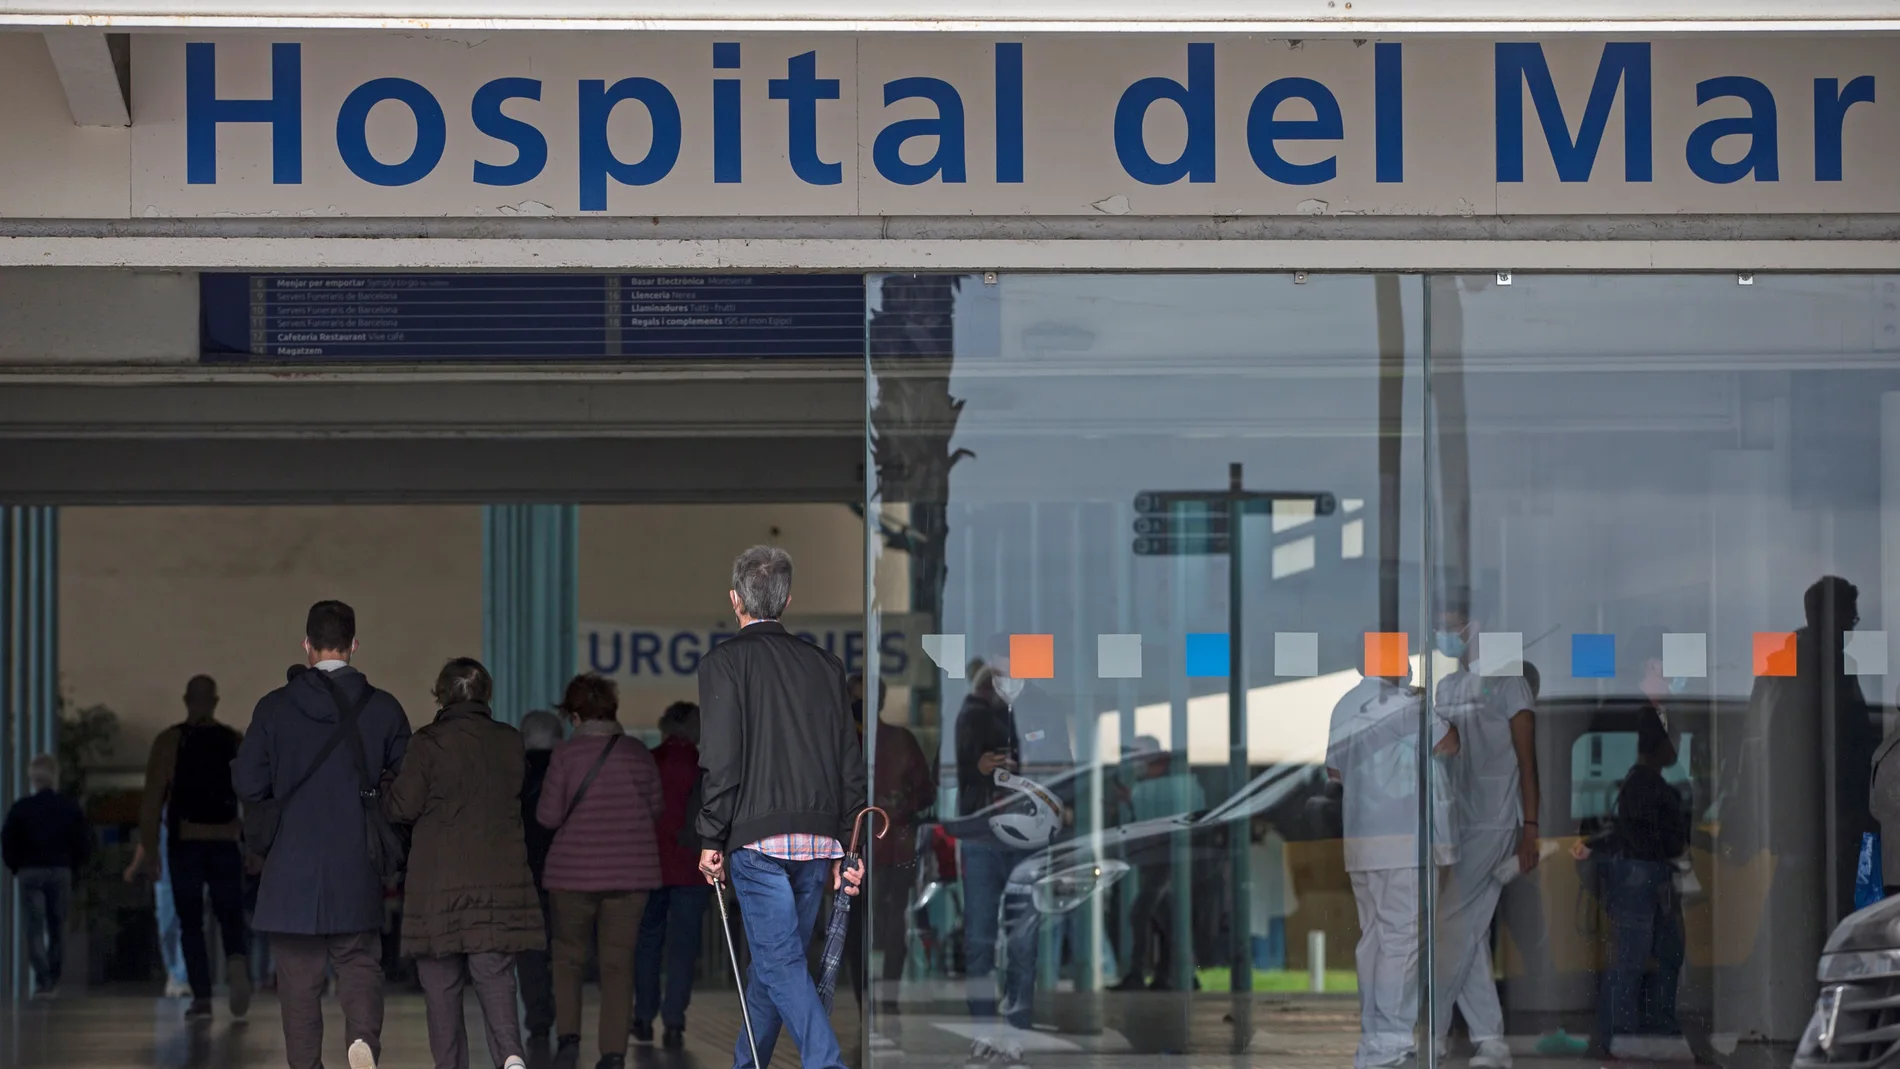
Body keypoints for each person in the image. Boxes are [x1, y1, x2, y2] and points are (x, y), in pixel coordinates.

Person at [695, 545, 867, 1069]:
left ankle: (826, 1062)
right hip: (817, 840)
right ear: (788, 599)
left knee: (781, 960)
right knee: (772, 965)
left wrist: (710, 835)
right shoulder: (826, 665)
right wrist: (848, 842)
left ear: (734, 599)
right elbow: (848, 759)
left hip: (757, 839)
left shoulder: (724, 663)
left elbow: (721, 761)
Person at [234, 600, 412, 1069]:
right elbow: (410, 783)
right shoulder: (385, 708)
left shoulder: (273, 707)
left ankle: (306, 1065)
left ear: (306, 645)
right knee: (358, 962)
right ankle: (362, 1040)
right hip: (356, 857)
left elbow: (247, 782)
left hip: (291, 865)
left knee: (297, 982)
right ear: (354, 645)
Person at [384, 658, 540, 1069]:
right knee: (496, 977)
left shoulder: (428, 743)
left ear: (441, 695)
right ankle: (510, 1055)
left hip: (437, 883)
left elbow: (403, 806)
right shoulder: (510, 741)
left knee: (441, 989)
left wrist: (383, 788)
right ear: (486, 694)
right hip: (498, 881)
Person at [1328, 662, 1459, 1069]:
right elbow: (1450, 742)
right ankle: (1390, 1041)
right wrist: (1427, 707)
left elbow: (1335, 771)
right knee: (1402, 941)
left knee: (1375, 942)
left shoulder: (1345, 704)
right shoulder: (1406, 703)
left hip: (1364, 841)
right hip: (1405, 840)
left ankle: (1374, 1039)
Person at [1429, 602, 1542, 1069]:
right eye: (1441, 626)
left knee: (1449, 926)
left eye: (1453, 625)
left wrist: (1531, 827)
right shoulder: (1446, 686)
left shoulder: (1509, 682)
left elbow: (1527, 757)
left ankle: (1431, 1034)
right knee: (1467, 930)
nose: (1445, 634)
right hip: (1458, 823)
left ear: (1477, 627)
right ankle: (1490, 1039)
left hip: (1496, 823)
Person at [535, 673, 665, 1069]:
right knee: (618, 963)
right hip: (630, 876)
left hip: (571, 876)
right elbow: (656, 808)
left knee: (568, 958)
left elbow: (548, 815)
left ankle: (569, 1039)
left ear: (574, 716)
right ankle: (612, 1052)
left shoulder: (565, 755)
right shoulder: (637, 753)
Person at [953, 633, 1074, 1048]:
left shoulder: (1045, 706)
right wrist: (976, 765)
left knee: (1024, 937)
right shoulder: (971, 708)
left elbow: (1065, 770)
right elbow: (948, 768)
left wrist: (1056, 809)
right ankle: (983, 1030)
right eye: (998, 657)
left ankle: (1017, 1029)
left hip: (1030, 835)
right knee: (979, 938)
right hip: (983, 833)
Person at [1571, 708, 1700, 1062]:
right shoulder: (1652, 787)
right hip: (1643, 874)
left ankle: (1633, 1034)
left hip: (1635, 876)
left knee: (1643, 955)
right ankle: (1629, 1035)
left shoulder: (1629, 783)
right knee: (1641, 956)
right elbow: (1666, 838)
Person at [126, 674, 251, 1019]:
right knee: (230, 916)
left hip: (186, 842)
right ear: (215, 701)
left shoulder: (169, 741)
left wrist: (150, 851)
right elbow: (252, 797)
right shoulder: (234, 741)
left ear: (186, 700)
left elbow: (152, 802)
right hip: (226, 840)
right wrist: (254, 845)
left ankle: (202, 998)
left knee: (190, 922)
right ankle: (237, 961)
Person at [841, 672, 934, 1012]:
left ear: (879, 701)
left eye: (867, 698)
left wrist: (902, 802)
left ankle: (889, 997)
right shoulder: (841, 742)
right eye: (856, 698)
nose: (862, 705)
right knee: (855, 929)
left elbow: (925, 792)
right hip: (854, 851)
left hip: (894, 849)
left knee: (894, 926)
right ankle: (864, 997)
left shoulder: (900, 741)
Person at [633, 700, 713, 1048]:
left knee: (647, 944)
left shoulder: (649, 761)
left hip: (650, 866)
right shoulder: (704, 766)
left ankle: (644, 1014)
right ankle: (674, 1019)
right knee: (683, 948)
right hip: (693, 869)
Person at [1111, 735, 1205, 991]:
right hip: (1159, 861)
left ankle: (1154, 973)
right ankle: (1168, 973)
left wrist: (1134, 799)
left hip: (1171, 860)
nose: (1134, 763)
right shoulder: (1155, 785)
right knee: (1163, 917)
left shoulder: (1172, 785)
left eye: (1138, 756)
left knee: (1146, 913)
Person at [2, 754, 90, 999]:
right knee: (56, 927)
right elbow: (83, 842)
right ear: (55, 778)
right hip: (60, 870)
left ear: (32, 779)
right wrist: (73, 866)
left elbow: (7, 842)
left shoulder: (21, 809)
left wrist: (16, 866)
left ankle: (43, 980)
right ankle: (54, 975)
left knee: (33, 928)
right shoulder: (69, 807)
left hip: (30, 871)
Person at [517, 708, 565, 1042]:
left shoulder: (514, 774)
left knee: (531, 951)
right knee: (566, 950)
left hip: (525, 875)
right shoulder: (568, 771)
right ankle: (568, 1020)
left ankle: (537, 1019)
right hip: (567, 873)